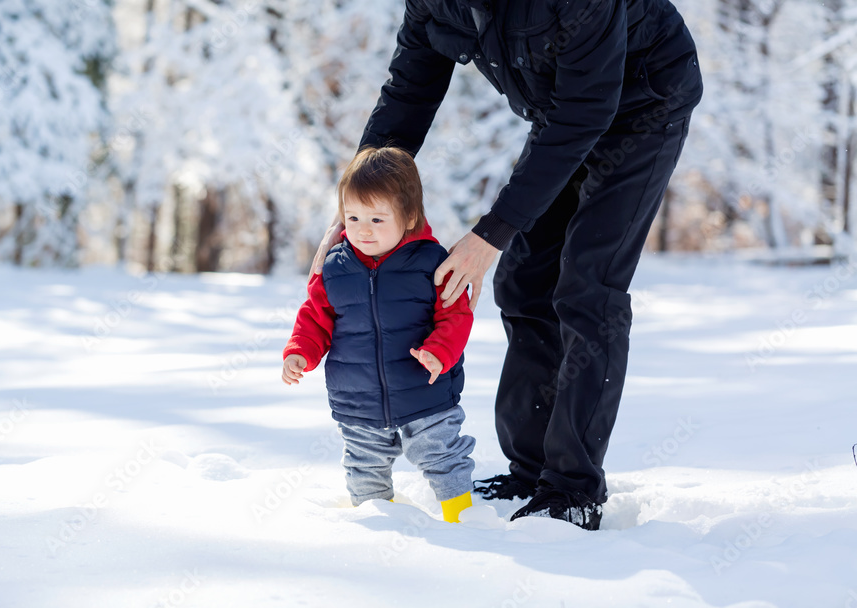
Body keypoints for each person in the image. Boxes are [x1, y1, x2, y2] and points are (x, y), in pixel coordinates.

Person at [310, 0, 704, 530]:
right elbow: (410, 90)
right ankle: (531, 468)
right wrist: (356, 210)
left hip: (644, 105)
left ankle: (573, 488)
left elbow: (589, 110)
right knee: (523, 282)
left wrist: (491, 232)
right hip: (560, 114)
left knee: (589, 288)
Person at [283, 147, 477, 523]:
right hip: (358, 400)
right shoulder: (335, 268)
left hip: (426, 392)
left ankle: (463, 521)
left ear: (408, 217)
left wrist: (438, 352)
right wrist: (300, 352)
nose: (362, 229)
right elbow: (315, 317)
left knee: (443, 458)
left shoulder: (433, 263)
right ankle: (378, 529)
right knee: (364, 470)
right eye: (352, 217)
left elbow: (456, 315)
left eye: (376, 218)